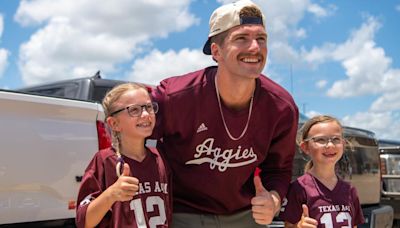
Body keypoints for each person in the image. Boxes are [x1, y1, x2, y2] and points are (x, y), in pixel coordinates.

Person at [151, 0, 299, 227]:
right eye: (241, 38)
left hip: (245, 215)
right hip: (182, 213)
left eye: (261, 39)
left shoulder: (281, 107)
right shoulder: (174, 97)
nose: (255, 48)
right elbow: (137, 148)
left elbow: (279, 169)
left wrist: (274, 200)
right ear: (216, 52)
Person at [76, 83, 172, 228]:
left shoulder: (161, 158)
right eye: (134, 110)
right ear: (114, 123)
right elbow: (84, 222)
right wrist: (112, 194)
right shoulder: (104, 161)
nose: (146, 114)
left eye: (149, 107)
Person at [279, 115, 365, 227]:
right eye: (320, 140)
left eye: (336, 139)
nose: (330, 145)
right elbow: (288, 225)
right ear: (305, 147)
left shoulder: (350, 190)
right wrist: (299, 226)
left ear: (343, 144)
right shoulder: (298, 189)